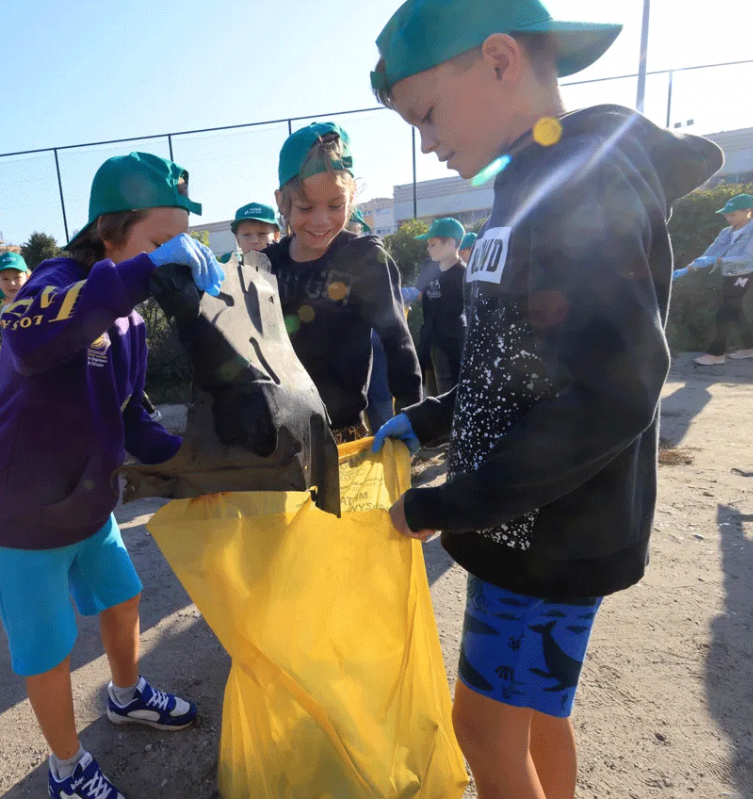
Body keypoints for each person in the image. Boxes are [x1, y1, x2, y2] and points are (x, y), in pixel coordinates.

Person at [368, 2, 723, 798]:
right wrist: (426, 419)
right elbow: (512, 363)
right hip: (539, 523)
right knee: (533, 715)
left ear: (498, 61)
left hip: (544, 534)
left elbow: (615, 391)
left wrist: (448, 503)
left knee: (485, 729)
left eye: (426, 113)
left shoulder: (581, 181)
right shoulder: (529, 180)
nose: (427, 140)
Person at [0, 152, 221, 799]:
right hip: (24, 509)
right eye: (161, 242)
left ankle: (126, 693)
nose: (169, 258)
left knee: (123, 595)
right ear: (110, 231)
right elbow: (29, 340)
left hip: (86, 500)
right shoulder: (55, 282)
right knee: (48, 647)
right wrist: (141, 272)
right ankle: (66, 764)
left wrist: (191, 463)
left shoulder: (130, 321)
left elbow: (131, 413)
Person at [264, 121, 421, 436]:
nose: (321, 221)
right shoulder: (267, 265)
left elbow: (397, 340)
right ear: (282, 202)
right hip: (281, 434)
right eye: (306, 207)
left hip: (343, 431)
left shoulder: (364, 258)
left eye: (336, 205)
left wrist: (412, 412)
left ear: (352, 196)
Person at [674, 193, 753, 365]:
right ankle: (752, 348)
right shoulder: (726, 232)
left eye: (732, 214)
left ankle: (716, 354)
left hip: (745, 275)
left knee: (724, 312)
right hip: (728, 275)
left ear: (747, 211)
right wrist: (689, 268)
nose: (728, 218)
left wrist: (720, 260)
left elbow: (748, 257)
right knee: (736, 312)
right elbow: (711, 252)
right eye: (726, 215)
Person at [414, 217, 467, 396]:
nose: (428, 249)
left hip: (451, 345)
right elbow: (419, 293)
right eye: (428, 245)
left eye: (433, 244)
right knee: (429, 395)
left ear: (452, 243)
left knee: (448, 395)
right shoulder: (429, 267)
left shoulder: (464, 274)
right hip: (428, 341)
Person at [218, 202, 282, 264]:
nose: (254, 240)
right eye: (247, 235)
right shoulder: (232, 273)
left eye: (262, 234)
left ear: (276, 236)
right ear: (238, 240)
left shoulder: (288, 269)